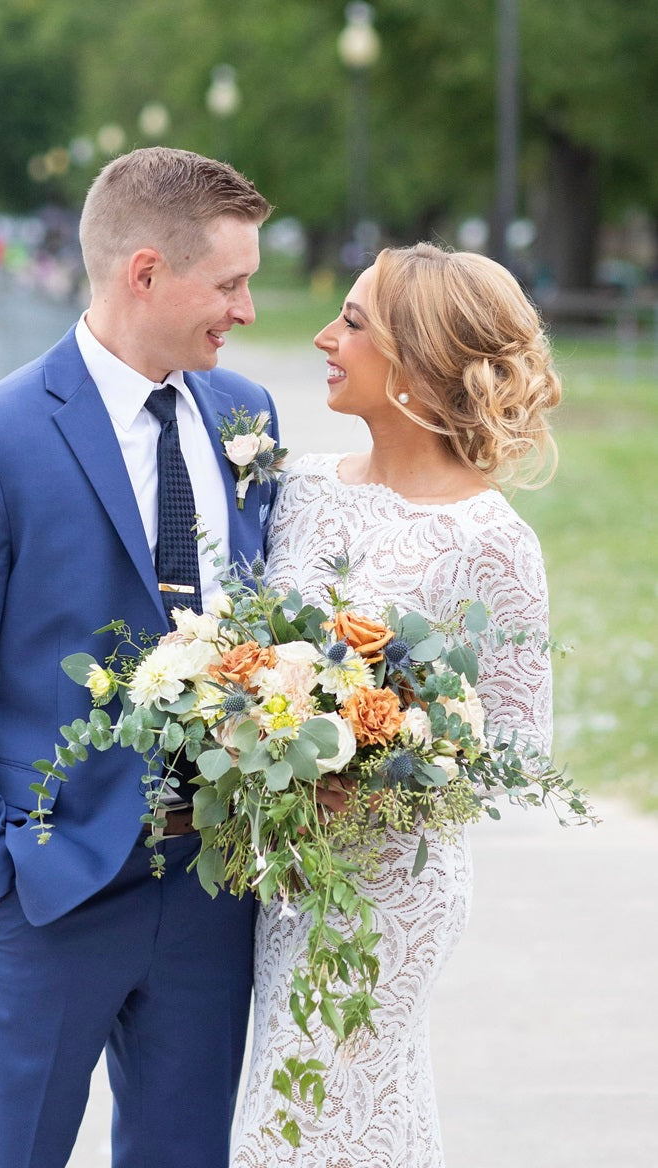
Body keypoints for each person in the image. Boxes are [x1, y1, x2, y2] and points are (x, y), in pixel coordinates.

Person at [0, 147, 277, 1168]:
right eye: (229, 282)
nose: (246, 308)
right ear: (145, 272)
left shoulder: (246, 418)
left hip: (211, 889)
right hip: (47, 891)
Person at [231, 242, 560, 1168]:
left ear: (414, 359)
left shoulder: (492, 543)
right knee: (316, 1108)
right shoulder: (296, 493)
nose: (325, 337)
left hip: (390, 892)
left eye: (354, 322)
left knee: (312, 1123)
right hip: (281, 880)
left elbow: (518, 753)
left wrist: (372, 775)